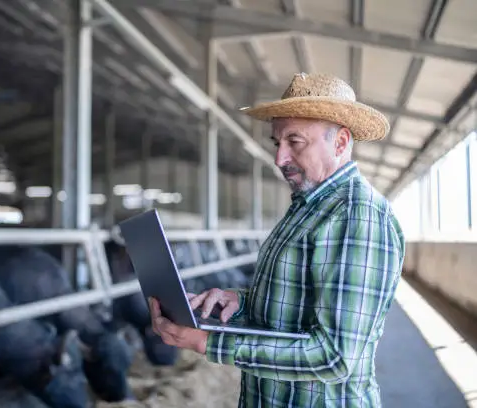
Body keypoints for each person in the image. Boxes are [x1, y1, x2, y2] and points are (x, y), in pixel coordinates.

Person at [147, 72, 406, 407]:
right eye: (277, 142)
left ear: (340, 143)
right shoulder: (308, 205)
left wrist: (209, 344)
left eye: (295, 142)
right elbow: (299, 304)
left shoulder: (356, 216)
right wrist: (240, 303)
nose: (279, 158)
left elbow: (335, 358)